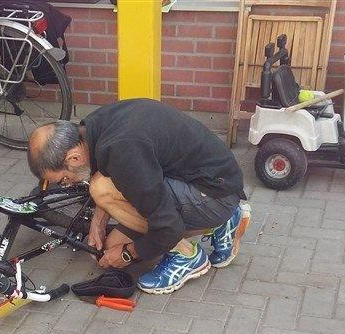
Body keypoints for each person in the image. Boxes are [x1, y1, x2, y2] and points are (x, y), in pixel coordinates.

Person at [27, 98, 250, 294]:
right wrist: (98, 222)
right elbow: (109, 168)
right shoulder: (93, 128)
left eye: (63, 179)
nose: (67, 184)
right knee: (109, 246)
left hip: (214, 196)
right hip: (212, 181)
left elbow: (168, 226)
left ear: (74, 158)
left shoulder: (124, 151)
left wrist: (128, 253)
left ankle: (187, 257)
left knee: (101, 189)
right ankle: (224, 222)